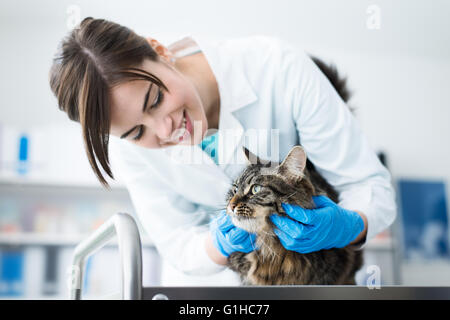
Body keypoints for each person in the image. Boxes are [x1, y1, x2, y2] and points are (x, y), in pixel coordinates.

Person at [49, 17, 397, 286]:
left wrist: (345, 225)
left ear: (161, 50)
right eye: (137, 131)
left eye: (155, 100)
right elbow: (177, 241)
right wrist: (218, 244)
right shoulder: (131, 151)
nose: (166, 130)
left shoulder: (275, 66)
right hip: (213, 292)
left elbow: (368, 185)